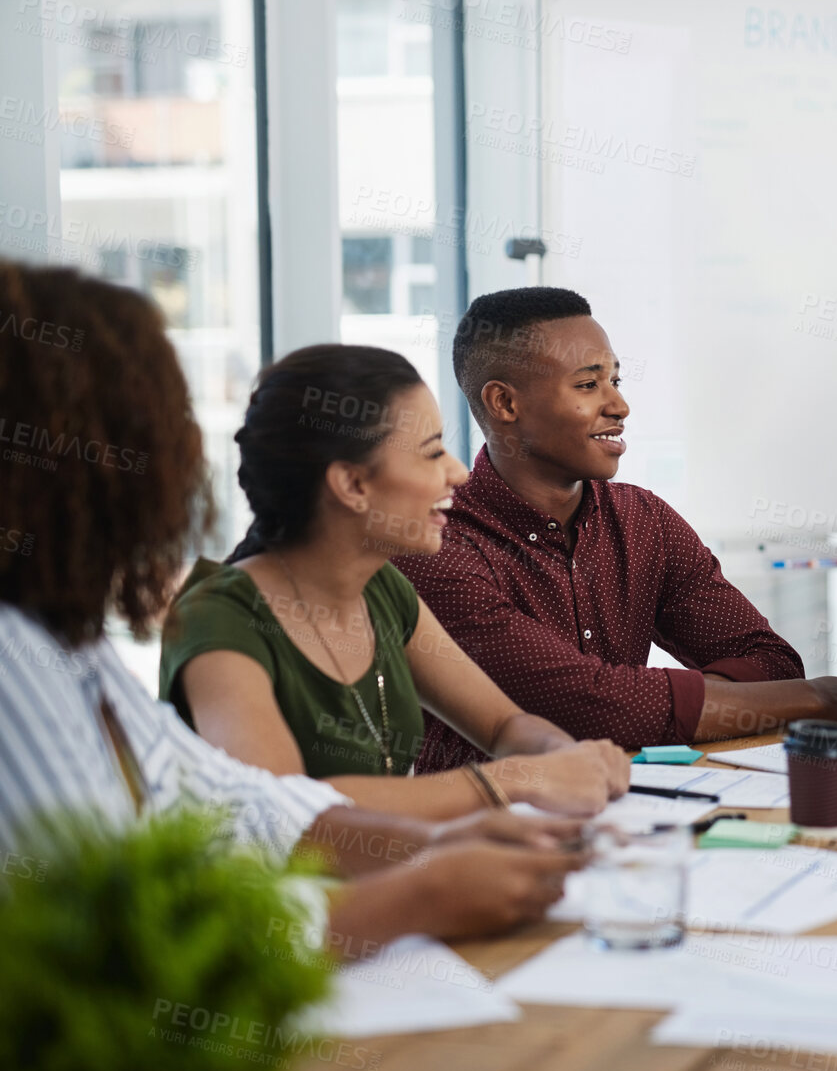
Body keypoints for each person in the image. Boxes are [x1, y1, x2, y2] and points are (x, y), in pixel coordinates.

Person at [0, 261, 591, 952]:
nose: (180, 462)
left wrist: (439, 839)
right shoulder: (24, 652)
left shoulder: (67, 643)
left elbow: (236, 804)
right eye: (157, 430)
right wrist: (421, 888)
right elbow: (107, 940)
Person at [393, 287, 837, 772]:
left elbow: (771, 662)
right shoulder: (435, 543)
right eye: (587, 385)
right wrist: (805, 700)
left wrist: (649, 704)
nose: (619, 406)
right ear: (505, 403)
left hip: (641, 809)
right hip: (490, 829)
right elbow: (582, 706)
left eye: (615, 380)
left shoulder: (643, 519)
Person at [159, 345, 630, 820]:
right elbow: (283, 812)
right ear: (352, 485)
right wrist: (507, 781)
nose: (459, 472)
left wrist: (566, 758)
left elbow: (505, 725)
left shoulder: (383, 589)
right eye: (431, 452)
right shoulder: (218, 616)